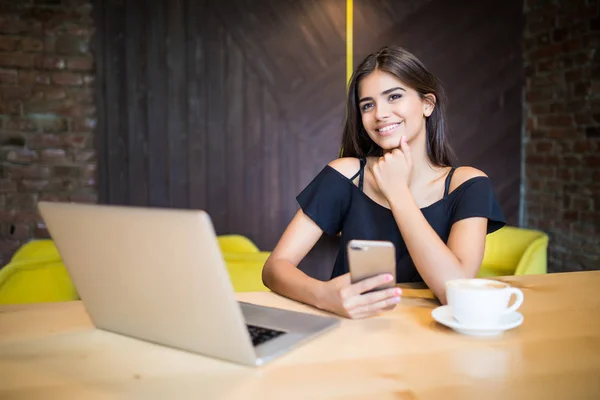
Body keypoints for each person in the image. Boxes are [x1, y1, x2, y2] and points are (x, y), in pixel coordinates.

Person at [262, 46, 505, 319]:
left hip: (434, 341)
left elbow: (453, 290)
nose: (379, 114)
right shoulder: (346, 176)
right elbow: (274, 268)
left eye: (394, 97)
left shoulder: (469, 185)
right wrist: (323, 295)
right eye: (368, 105)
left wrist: (397, 193)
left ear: (428, 104)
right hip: (353, 336)